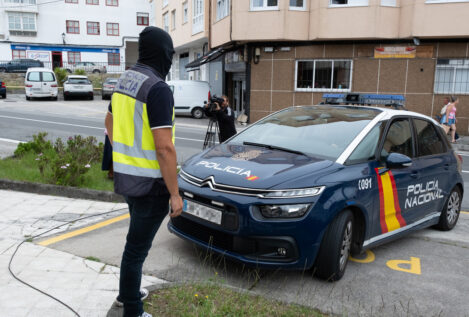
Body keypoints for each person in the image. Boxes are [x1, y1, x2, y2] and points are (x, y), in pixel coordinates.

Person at [104, 26, 183, 317]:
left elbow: (108, 122)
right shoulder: (157, 88)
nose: (171, 59)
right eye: (170, 53)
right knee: (135, 251)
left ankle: (130, 292)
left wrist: (123, 154)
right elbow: (165, 148)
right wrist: (175, 194)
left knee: (135, 247)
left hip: (129, 181)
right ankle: (132, 309)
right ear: (163, 53)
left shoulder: (124, 80)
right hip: (151, 186)